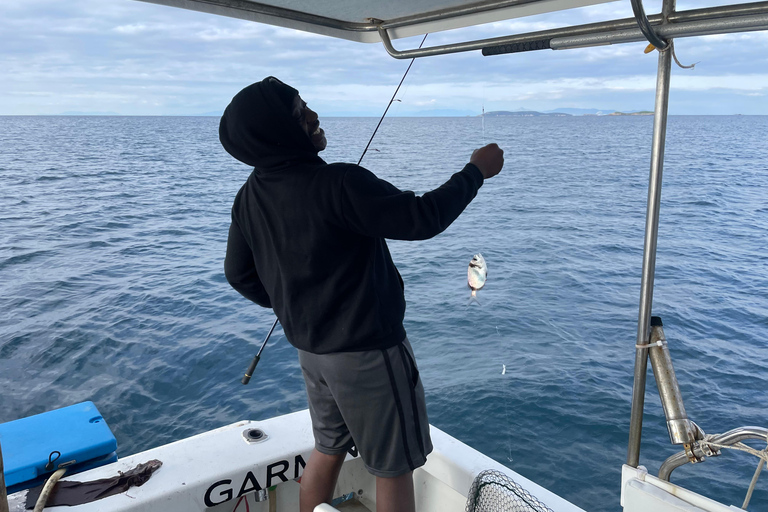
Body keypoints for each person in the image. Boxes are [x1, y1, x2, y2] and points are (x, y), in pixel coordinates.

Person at [221, 76, 503, 512]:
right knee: (393, 468)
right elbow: (421, 218)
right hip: (367, 356)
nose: (313, 116)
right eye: (299, 112)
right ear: (278, 130)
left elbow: (238, 274)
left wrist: (295, 306)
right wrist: (475, 171)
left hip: (312, 354)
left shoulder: (249, 196)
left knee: (328, 448)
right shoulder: (339, 183)